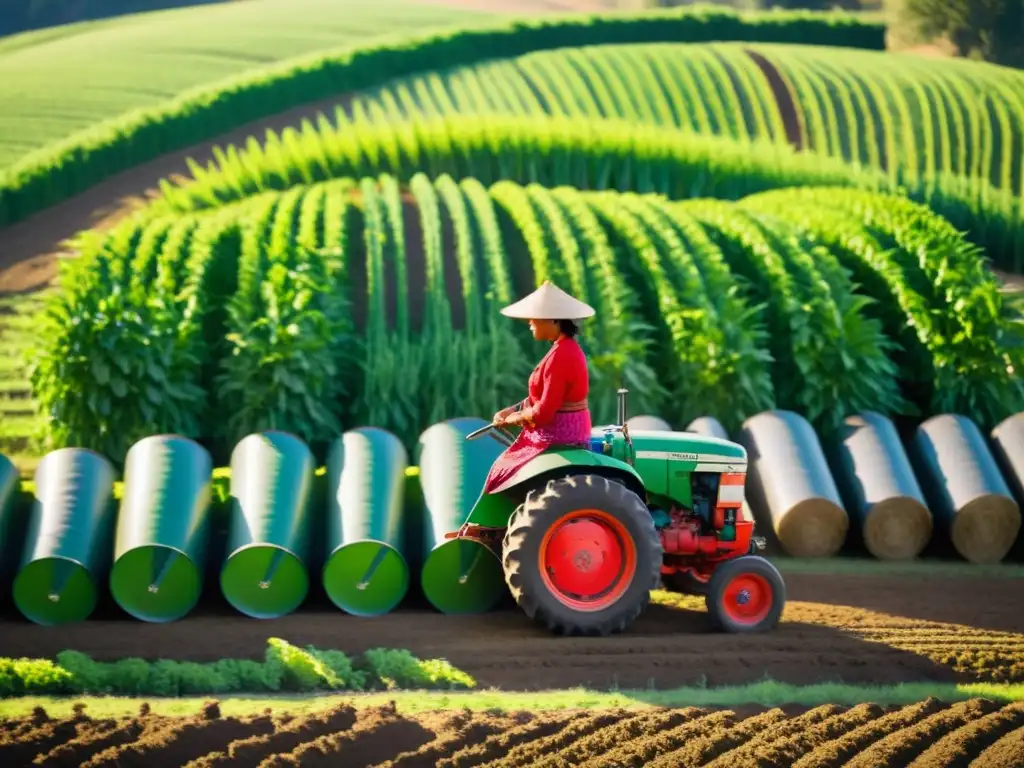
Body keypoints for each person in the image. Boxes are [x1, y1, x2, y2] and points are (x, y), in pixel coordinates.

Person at [481, 281, 595, 495]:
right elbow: (543, 395)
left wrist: (511, 420)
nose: (530, 322)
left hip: (560, 432)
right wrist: (512, 410)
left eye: (535, 317)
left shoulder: (563, 355)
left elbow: (543, 413)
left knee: (505, 472)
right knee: (504, 467)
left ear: (553, 320)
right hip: (557, 428)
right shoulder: (561, 350)